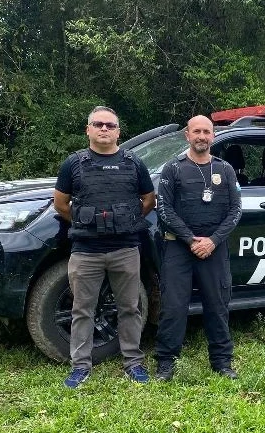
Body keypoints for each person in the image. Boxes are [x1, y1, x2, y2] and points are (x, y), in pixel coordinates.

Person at [53, 106, 156, 388]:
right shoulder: (73, 164)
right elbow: (60, 204)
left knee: (130, 308)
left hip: (125, 248)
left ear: (118, 132)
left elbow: (148, 200)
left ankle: (133, 362)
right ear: (88, 129)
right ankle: (80, 366)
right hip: (86, 251)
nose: (104, 129)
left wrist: (125, 222)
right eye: (98, 124)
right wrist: (89, 223)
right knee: (82, 309)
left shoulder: (134, 163)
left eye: (110, 126)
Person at [153, 115, 243, 380]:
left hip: (214, 248)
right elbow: (164, 209)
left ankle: (222, 363)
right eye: (196, 131)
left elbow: (236, 209)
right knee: (173, 307)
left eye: (206, 131)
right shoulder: (174, 168)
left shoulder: (225, 169)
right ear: (188, 136)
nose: (201, 136)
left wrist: (213, 241)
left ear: (213, 136)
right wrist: (190, 240)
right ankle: (166, 363)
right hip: (179, 248)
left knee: (217, 305)